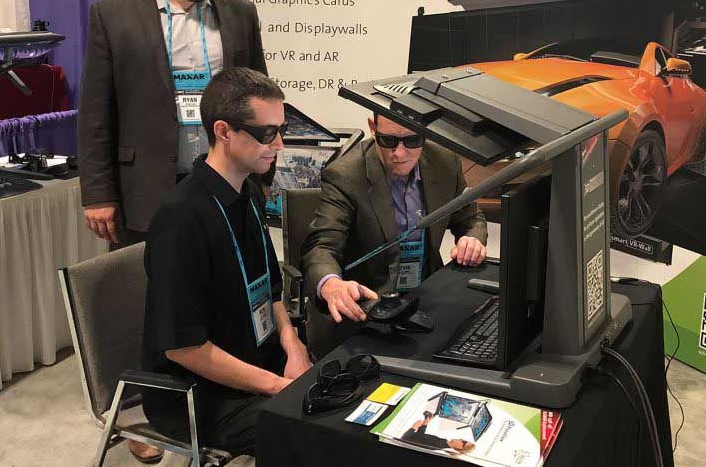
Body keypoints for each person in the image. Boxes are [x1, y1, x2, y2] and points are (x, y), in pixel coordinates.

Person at [140, 68, 311, 459]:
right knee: (318, 435)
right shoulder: (180, 219)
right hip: (196, 394)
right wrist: (275, 386)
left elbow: (271, 290)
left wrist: (293, 345)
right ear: (223, 131)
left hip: (257, 362)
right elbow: (184, 349)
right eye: (267, 133)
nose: (279, 144)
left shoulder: (248, 191)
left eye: (281, 130)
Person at [78, 0, 267, 253]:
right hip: (145, 190)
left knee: (223, 282)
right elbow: (95, 114)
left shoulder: (240, 14)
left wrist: (263, 177)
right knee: (148, 284)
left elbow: (260, 102)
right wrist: (98, 194)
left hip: (227, 183)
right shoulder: (113, 16)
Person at [301, 113, 488, 357]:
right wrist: (330, 283)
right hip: (367, 311)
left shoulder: (445, 162)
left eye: (412, 140)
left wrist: (472, 238)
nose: (399, 153)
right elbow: (323, 244)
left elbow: (470, 218)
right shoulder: (345, 175)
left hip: (424, 298)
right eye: (388, 141)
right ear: (372, 128)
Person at [400, 412, 476, 454]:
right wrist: (425, 424)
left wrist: (413, 427)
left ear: (459, 447)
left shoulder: (438, 446)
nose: (461, 439)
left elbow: (404, 441)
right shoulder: (444, 441)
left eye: (464, 441)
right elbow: (420, 437)